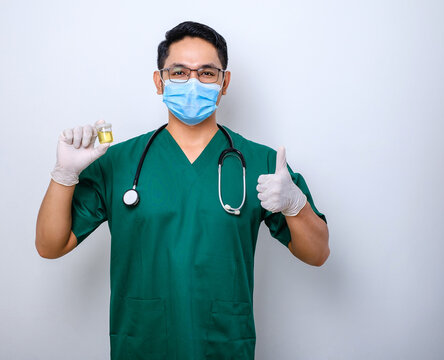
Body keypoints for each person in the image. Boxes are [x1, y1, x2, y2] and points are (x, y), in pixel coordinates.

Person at [36, 21, 329, 360]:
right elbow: (50, 245)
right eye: (178, 72)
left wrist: (295, 205)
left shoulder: (263, 163)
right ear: (159, 81)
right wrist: (64, 175)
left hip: (222, 345)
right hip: (142, 344)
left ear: (224, 82)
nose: (193, 82)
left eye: (207, 73)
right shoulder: (118, 162)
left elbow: (317, 254)